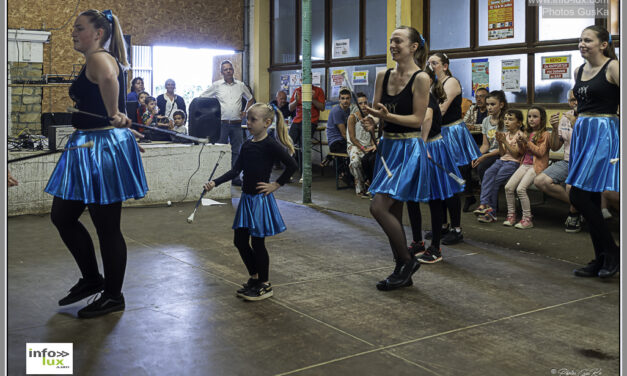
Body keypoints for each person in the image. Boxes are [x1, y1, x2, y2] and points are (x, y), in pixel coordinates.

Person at [45, 9, 148, 319]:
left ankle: (113, 295)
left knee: (107, 227)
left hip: (101, 149)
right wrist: (116, 119)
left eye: (79, 28)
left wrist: (115, 113)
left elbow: (107, 76)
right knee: (63, 216)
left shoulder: (99, 57)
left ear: (98, 33)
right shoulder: (95, 57)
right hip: (89, 145)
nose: (73, 33)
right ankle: (92, 278)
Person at [202, 103, 298, 301]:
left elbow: (292, 165)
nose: (249, 123)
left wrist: (276, 185)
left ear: (267, 123)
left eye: (253, 120)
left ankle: (265, 283)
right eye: (248, 119)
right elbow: (236, 171)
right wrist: (215, 182)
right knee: (239, 241)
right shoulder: (247, 144)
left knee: (258, 243)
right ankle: (254, 277)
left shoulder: (270, 144)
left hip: (260, 201)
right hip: (246, 200)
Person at [362, 25, 430, 291]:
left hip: (408, 150)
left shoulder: (422, 78)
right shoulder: (383, 75)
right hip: (387, 148)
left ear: (413, 47)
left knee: (378, 207)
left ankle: (406, 261)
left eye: (398, 41)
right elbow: (376, 114)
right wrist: (371, 123)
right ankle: (402, 271)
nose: (392, 45)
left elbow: (416, 119)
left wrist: (386, 117)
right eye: (391, 41)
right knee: (392, 210)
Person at [567, 25, 619, 278]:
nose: (582, 44)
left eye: (588, 40)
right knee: (589, 197)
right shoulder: (578, 70)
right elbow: (581, 104)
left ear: (603, 44)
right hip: (584, 132)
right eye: (580, 40)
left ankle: (611, 252)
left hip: (604, 133)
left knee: (579, 195)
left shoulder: (613, 67)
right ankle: (602, 257)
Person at [407, 64, 462, 264]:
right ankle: (417, 242)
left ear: (428, 81)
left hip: (432, 147)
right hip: (421, 146)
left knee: (435, 198)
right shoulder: (417, 97)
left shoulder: (428, 98)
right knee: (411, 196)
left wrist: (421, 144)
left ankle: (435, 247)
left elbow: (427, 117)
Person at [426, 52, 481, 245]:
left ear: (445, 65)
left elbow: (440, 109)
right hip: (437, 133)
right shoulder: (431, 84)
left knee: (450, 182)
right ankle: (442, 225)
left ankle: (457, 229)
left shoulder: (451, 82)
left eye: (435, 63)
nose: (431, 65)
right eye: (429, 62)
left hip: (451, 135)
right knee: (438, 181)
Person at [200, 60, 255, 186]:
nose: (228, 71)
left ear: (233, 70)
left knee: (237, 151)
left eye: (230, 69)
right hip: (222, 124)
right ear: (221, 72)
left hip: (236, 124)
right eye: (225, 69)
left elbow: (250, 98)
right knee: (220, 150)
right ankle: (219, 178)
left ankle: (235, 177)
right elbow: (203, 97)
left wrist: (246, 111)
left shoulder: (240, 85)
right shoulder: (217, 85)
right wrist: (212, 113)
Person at [533, 90, 581, 232]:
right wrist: (554, 128)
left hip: (584, 162)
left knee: (570, 187)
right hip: (567, 161)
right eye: (572, 100)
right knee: (540, 181)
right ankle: (581, 207)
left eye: (578, 99)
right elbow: (554, 147)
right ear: (568, 102)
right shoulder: (565, 118)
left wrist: (576, 125)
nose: (575, 102)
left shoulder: (590, 118)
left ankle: (574, 213)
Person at [501, 106, 550, 228]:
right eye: (529, 116)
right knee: (508, 187)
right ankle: (511, 215)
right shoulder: (527, 133)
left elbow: (540, 152)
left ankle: (527, 219)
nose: (531, 119)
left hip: (536, 166)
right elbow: (522, 153)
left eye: (535, 116)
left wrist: (527, 142)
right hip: (524, 165)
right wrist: (520, 143)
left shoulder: (545, 134)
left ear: (542, 118)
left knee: (521, 189)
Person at [474, 109, 524, 223]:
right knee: (487, 174)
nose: (506, 122)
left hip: (513, 163)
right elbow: (502, 153)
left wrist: (504, 142)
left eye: (510, 119)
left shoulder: (520, 135)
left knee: (495, 181)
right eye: (505, 119)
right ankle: (483, 204)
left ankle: (492, 213)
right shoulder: (506, 134)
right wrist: (500, 142)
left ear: (519, 123)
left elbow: (516, 154)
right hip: (502, 160)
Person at [288, 83, 325, 176]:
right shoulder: (297, 90)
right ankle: (289, 172)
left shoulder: (318, 90)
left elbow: (322, 107)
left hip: (310, 120)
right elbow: (290, 108)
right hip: (297, 120)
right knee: (288, 143)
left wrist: (312, 98)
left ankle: (304, 173)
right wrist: (296, 101)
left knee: (304, 144)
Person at [462, 87, 489, 211]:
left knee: (480, 166)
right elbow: (463, 124)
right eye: (477, 96)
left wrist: (474, 126)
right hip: (473, 145)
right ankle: (469, 196)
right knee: (463, 165)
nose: (478, 99)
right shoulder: (472, 108)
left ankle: (486, 200)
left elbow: (488, 126)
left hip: (487, 146)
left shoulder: (490, 110)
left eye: (482, 96)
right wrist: (473, 127)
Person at [346, 92, 377, 198]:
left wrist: (374, 146)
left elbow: (372, 136)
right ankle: (360, 189)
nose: (363, 105)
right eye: (361, 103)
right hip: (355, 146)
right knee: (355, 161)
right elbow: (352, 138)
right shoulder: (352, 117)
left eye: (365, 103)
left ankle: (370, 183)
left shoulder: (371, 118)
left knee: (373, 159)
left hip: (368, 145)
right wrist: (363, 148)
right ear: (357, 105)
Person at [324, 88, 352, 181]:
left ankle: (330, 158)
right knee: (351, 150)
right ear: (339, 99)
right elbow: (344, 133)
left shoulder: (348, 110)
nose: (345, 101)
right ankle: (343, 174)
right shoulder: (337, 111)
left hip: (342, 140)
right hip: (335, 141)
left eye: (347, 98)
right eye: (343, 98)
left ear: (350, 99)